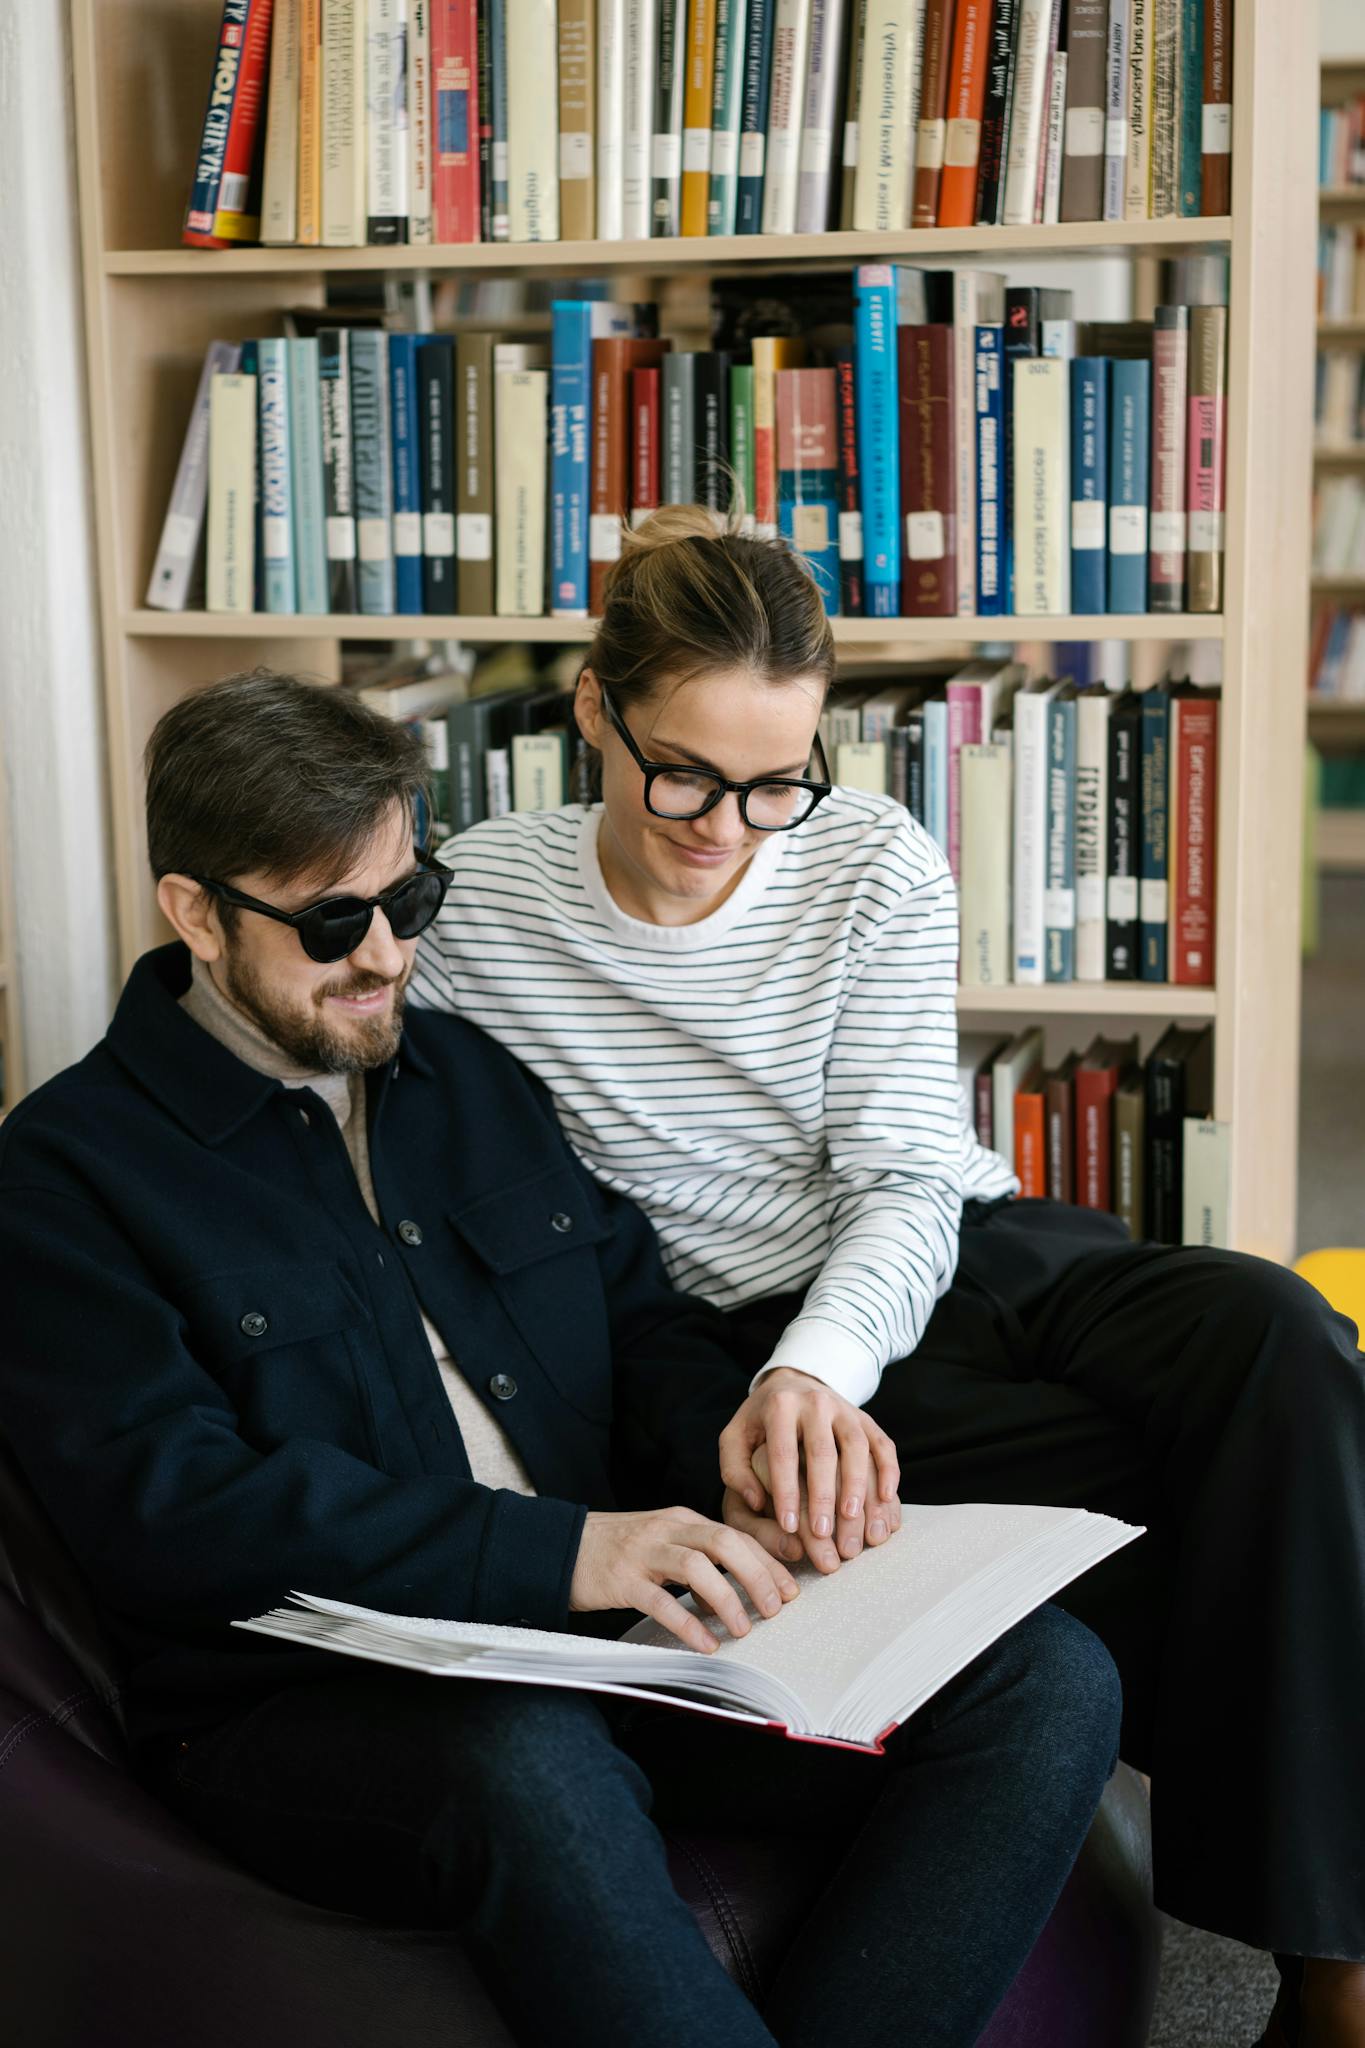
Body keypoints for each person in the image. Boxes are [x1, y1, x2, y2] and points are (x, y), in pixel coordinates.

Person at [0, 671, 1124, 2048]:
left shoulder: (468, 1081)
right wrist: (564, 1555)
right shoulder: (64, 1176)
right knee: (525, 1761)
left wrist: (743, 1444)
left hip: (605, 1653)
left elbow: (635, 1323)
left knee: (1043, 1673)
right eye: (333, 925)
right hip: (315, 1711)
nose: (387, 959)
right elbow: (170, 1512)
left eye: (407, 904)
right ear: (195, 912)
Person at [411, 506, 1365, 2048]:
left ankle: (1332, 1974)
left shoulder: (869, 859)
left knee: (1277, 1339)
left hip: (937, 1254)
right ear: (591, 708)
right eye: (683, 774)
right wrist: (768, 1383)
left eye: (775, 781)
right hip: (709, 1334)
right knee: (1185, 1494)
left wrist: (818, 1366)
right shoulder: (478, 907)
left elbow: (909, 1173)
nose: (725, 822)